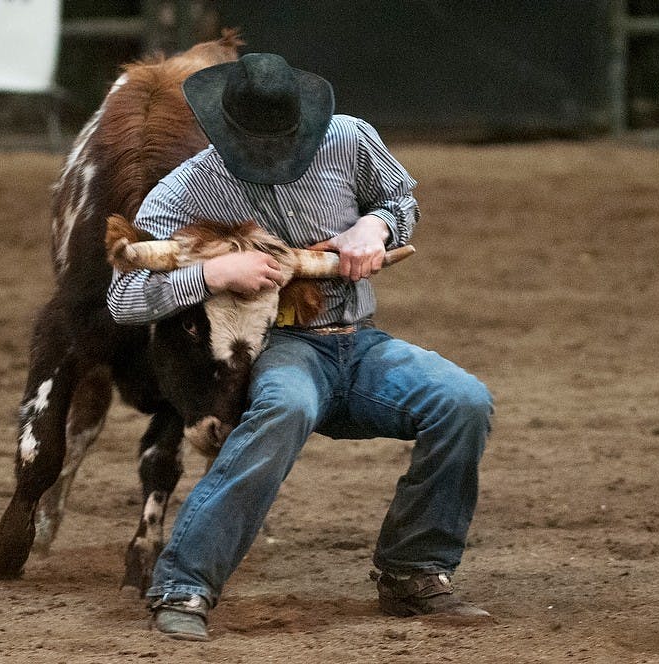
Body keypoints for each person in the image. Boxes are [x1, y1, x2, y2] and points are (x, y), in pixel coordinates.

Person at [107, 52, 493, 641]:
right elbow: (123, 297)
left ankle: (414, 571)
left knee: (463, 400)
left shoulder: (351, 141)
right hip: (282, 348)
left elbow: (402, 202)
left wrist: (377, 227)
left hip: (360, 343)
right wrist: (213, 276)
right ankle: (184, 582)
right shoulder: (188, 189)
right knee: (284, 407)